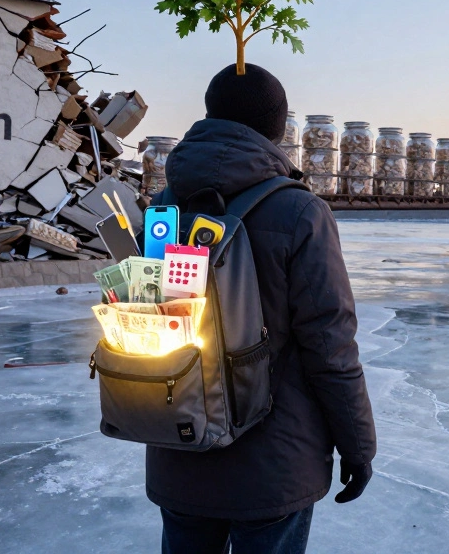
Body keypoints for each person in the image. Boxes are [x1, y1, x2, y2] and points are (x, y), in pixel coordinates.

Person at [147, 63, 376, 554]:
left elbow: (152, 316)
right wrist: (358, 446)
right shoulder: (299, 212)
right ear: (278, 128)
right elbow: (330, 345)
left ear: (209, 113)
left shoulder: (161, 208)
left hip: (181, 441)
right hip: (275, 463)